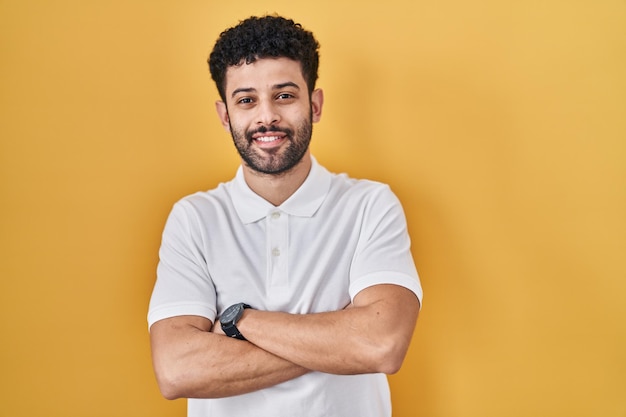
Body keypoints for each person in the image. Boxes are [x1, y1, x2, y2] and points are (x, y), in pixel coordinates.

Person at [148, 15, 423, 417]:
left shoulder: (370, 205)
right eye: (246, 100)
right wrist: (341, 341)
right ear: (225, 116)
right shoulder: (193, 219)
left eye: (284, 95)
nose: (266, 117)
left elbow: (381, 344)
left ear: (314, 104)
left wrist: (239, 321)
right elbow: (176, 370)